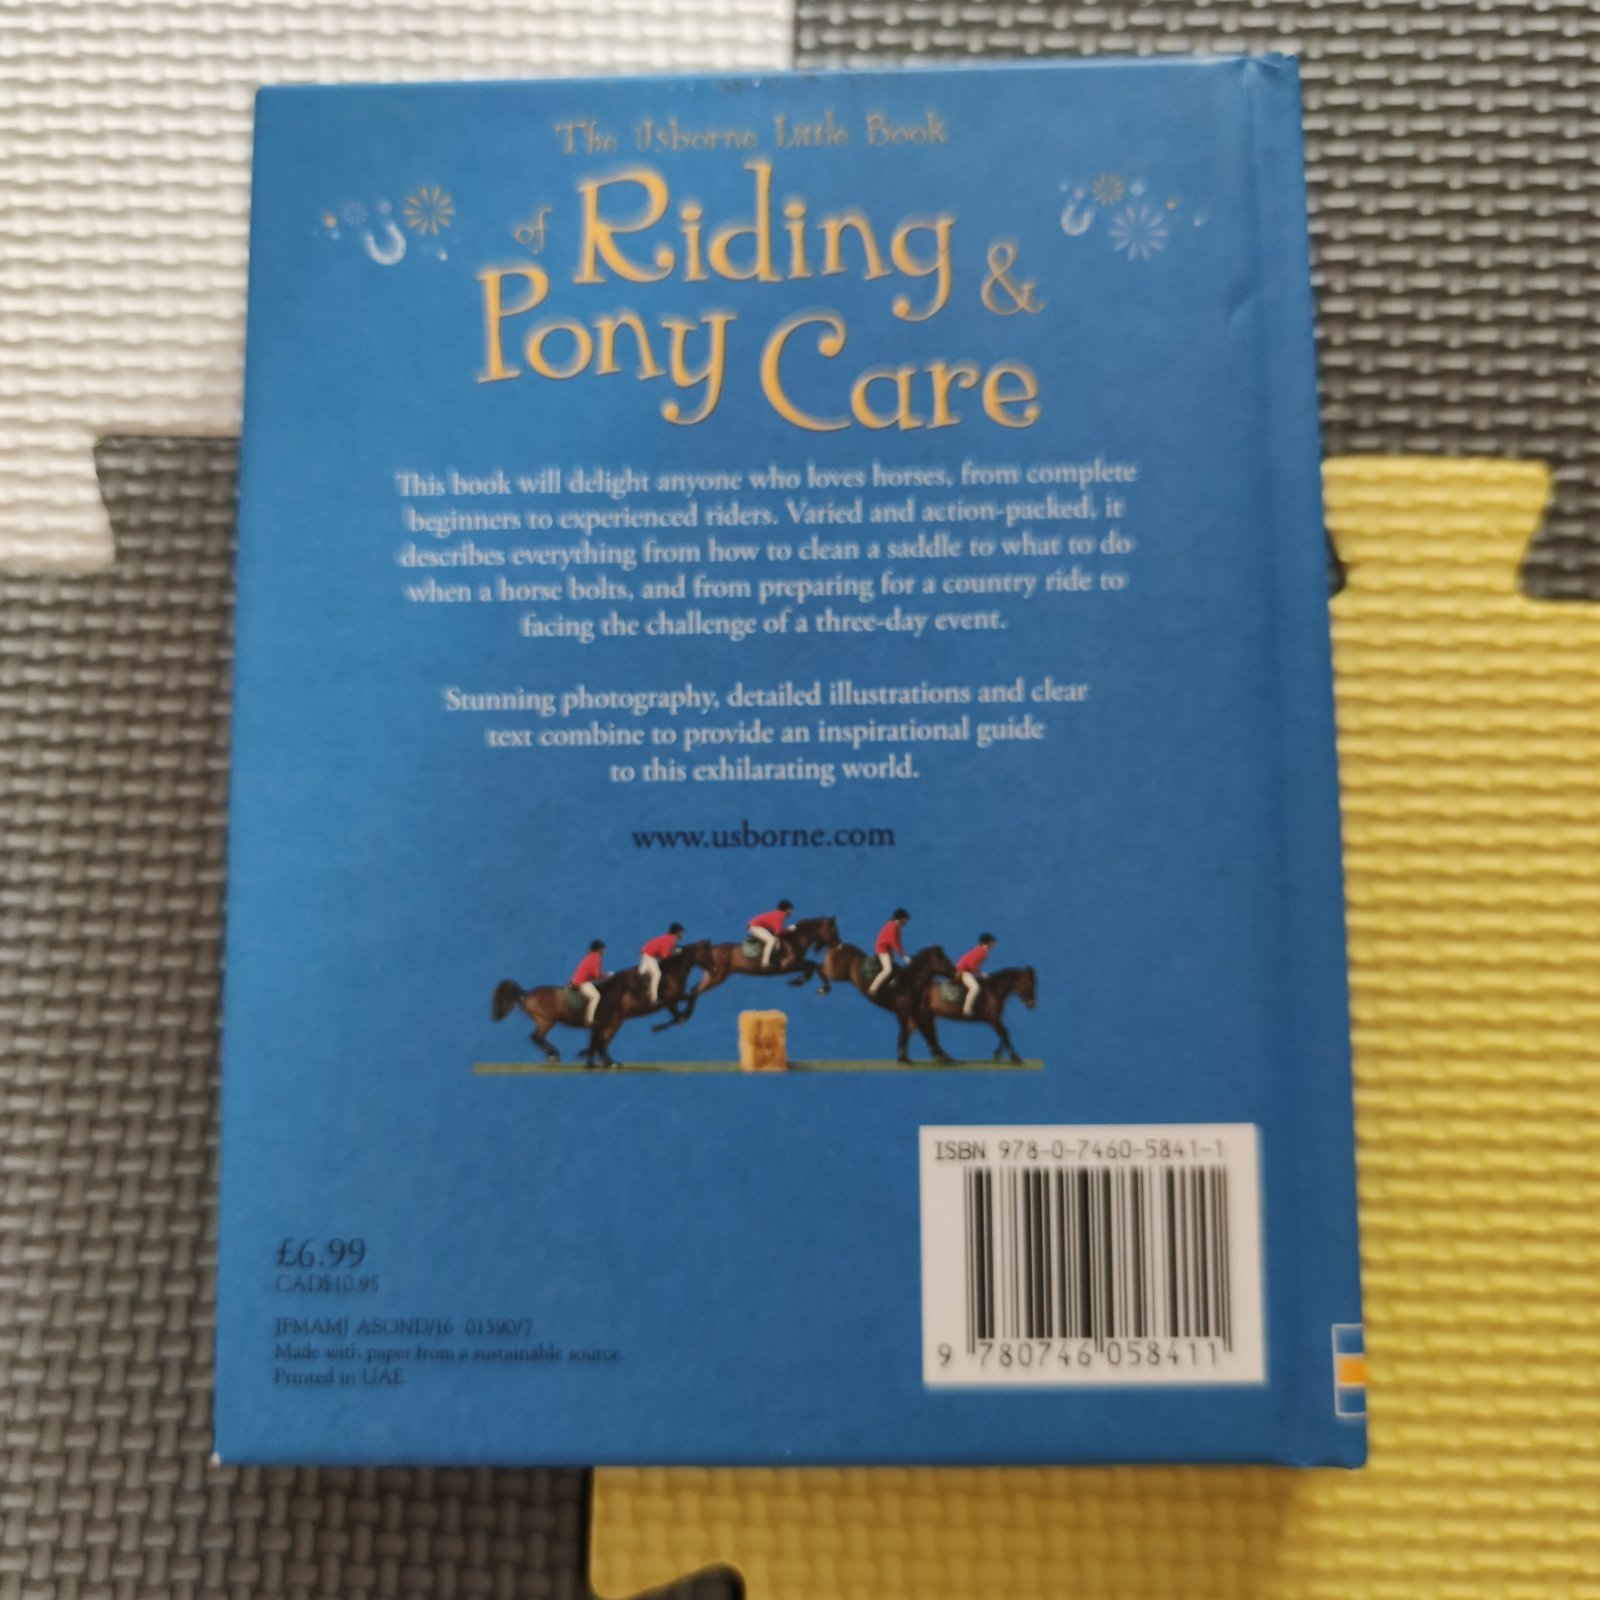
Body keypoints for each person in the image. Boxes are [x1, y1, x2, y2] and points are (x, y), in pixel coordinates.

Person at [638, 922, 685, 1004]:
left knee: (642, 973)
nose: (683, 934)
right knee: (657, 974)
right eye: (681, 932)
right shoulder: (671, 939)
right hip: (649, 956)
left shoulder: (669, 938)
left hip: (646, 953)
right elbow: (664, 956)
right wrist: (675, 953)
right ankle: (653, 998)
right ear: (677, 932)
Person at [870, 908, 911, 995]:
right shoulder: (892, 927)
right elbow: (894, 942)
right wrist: (903, 956)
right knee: (888, 970)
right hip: (882, 949)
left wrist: (902, 954)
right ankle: (873, 988)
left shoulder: (898, 928)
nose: (905, 923)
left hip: (889, 950)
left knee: (895, 969)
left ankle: (889, 986)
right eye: (904, 920)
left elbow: (898, 942)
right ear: (900, 919)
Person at [955, 933, 995, 1016]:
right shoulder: (982, 952)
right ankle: (967, 1009)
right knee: (975, 988)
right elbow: (972, 965)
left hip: (968, 971)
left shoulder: (980, 950)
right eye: (992, 943)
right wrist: (981, 973)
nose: (993, 945)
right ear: (988, 943)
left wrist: (981, 974)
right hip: (963, 971)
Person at [748, 899, 794, 968]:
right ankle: (765, 963)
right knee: (771, 940)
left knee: (777, 941)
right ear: (787, 910)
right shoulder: (780, 915)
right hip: (755, 927)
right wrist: (789, 930)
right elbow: (778, 932)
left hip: (759, 927)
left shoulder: (778, 914)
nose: (792, 912)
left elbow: (778, 929)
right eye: (791, 910)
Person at [570, 939, 607, 1024]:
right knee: (596, 996)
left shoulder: (590, 956)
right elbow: (596, 975)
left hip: (580, 980)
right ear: (599, 949)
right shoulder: (596, 957)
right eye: (603, 949)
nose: (604, 951)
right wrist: (606, 976)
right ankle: (589, 1019)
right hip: (581, 982)